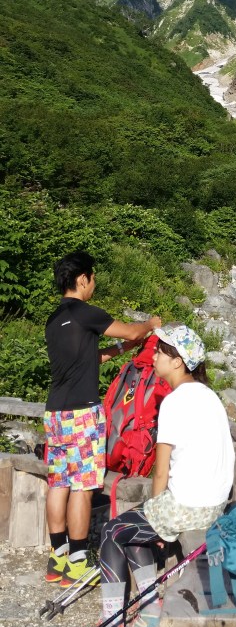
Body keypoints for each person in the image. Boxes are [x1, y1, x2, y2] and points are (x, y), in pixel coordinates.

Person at [81, 323, 235, 627]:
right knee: (133, 528)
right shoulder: (209, 396)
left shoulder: (174, 402)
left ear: (178, 361)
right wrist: (152, 521)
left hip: (189, 504)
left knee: (111, 531)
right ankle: (149, 611)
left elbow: (160, 471)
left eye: (161, 352)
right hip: (215, 502)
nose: (154, 357)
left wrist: (157, 516)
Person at [43, 250, 162, 587]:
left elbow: (88, 357)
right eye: (92, 278)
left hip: (56, 414)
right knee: (82, 487)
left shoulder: (55, 321)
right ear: (83, 279)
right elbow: (132, 332)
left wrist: (122, 352)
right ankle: (79, 560)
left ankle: (58, 557)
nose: (93, 284)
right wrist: (150, 325)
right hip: (83, 413)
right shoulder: (86, 313)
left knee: (59, 483)